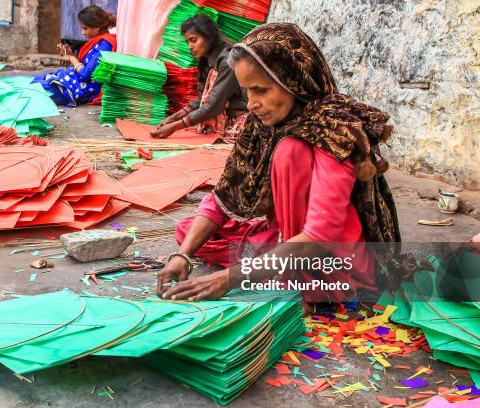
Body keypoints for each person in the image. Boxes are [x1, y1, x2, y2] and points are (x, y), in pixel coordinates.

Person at [156, 23, 401, 304]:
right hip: (288, 236)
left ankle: (299, 277)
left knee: (289, 151)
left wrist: (227, 280)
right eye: (247, 91)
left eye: (260, 90)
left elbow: (320, 236)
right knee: (191, 231)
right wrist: (182, 255)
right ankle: (276, 259)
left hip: (331, 258)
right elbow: (223, 197)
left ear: (293, 82)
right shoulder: (262, 125)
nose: (251, 104)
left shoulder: (331, 131)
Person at [150, 14, 247, 143]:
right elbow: (203, 99)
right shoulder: (207, 61)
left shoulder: (227, 62)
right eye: (187, 42)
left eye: (193, 40)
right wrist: (172, 118)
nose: (190, 46)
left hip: (239, 121)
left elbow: (213, 106)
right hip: (223, 120)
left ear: (208, 37)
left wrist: (174, 127)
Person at [33, 5, 117, 106]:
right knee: (27, 81)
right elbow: (86, 66)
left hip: (76, 89)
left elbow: (86, 75)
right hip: (70, 82)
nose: (82, 33)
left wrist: (72, 59)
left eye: (85, 28)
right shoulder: (98, 42)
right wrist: (70, 55)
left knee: (25, 88)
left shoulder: (105, 45)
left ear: (97, 28)